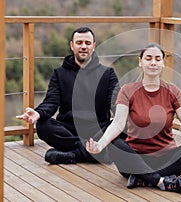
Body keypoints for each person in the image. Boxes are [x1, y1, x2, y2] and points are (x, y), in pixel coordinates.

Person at [86, 43, 181, 194]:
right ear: (140, 62)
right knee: (115, 143)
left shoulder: (173, 91)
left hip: (166, 159)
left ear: (163, 63)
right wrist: (100, 145)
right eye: (148, 58)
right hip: (135, 159)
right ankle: (160, 180)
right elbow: (117, 124)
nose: (153, 62)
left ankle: (142, 178)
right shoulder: (127, 91)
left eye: (158, 59)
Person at [16, 27, 121, 164]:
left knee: (121, 126)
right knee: (43, 125)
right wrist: (38, 113)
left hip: (97, 130)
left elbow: (116, 104)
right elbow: (51, 102)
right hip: (68, 131)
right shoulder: (59, 74)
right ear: (72, 45)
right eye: (79, 43)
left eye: (88, 43)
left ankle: (72, 155)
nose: (83, 46)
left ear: (94, 46)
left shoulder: (108, 74)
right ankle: (94, 153)